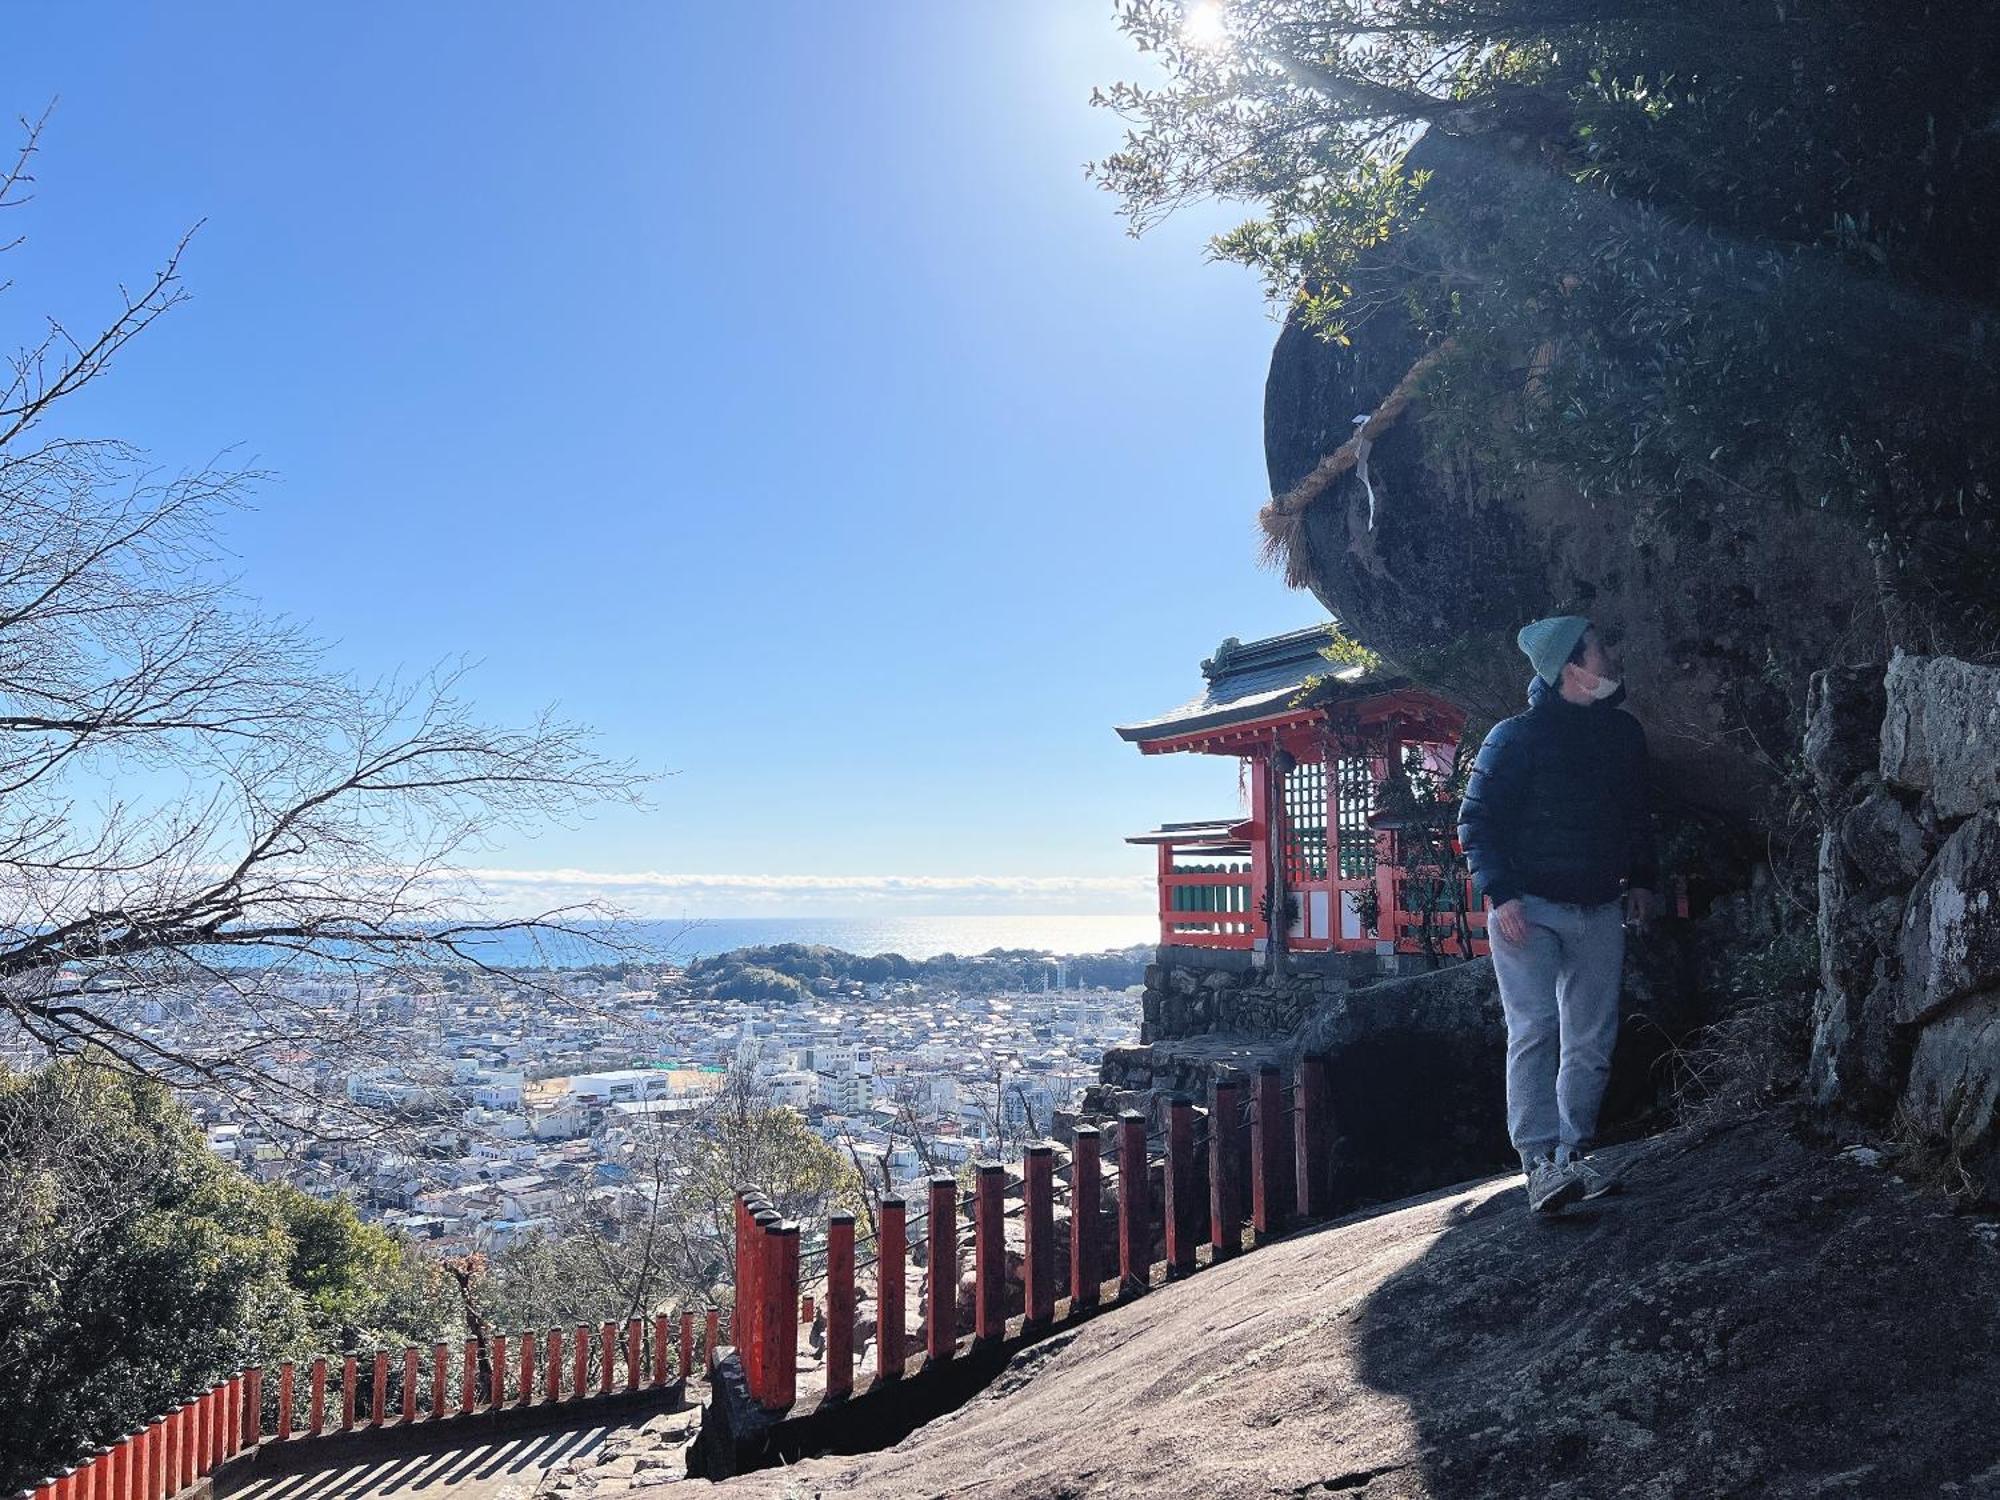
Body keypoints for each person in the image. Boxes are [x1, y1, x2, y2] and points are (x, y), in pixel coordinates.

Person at [1455, 615, 1657, 1215]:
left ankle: (1573, 1153)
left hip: (1600, 904)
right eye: (1600, 651)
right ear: (1572, 667)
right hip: (1528, 910)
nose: (1610, 659)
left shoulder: (1622, 735)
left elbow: (1638, 815)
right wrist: (1502, 894)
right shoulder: (1512, 738)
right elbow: (1478, 823)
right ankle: (1539, 1162)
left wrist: (1645, 881)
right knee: (1536, 1028)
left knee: (1592, 1038)